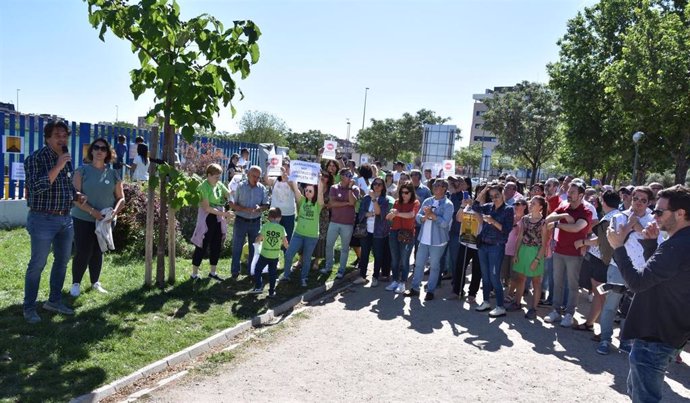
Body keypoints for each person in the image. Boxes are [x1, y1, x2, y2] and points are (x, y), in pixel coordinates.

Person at [606, 185, 690, 403]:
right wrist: (651, 245)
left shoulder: (676, 246)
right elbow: (667, 277)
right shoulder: (681, 242)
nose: (654, 215)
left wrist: (618, 247)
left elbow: (637, 283)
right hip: (666, 331)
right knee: (637, 391)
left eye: (660, 211)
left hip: (657, 335)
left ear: (680, 214)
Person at [23, 121, 86, 323]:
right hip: (42, 218)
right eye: (58, 135)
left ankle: (54, 301)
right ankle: (29, 307)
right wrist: (58, 166)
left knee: (61, 262)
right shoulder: (36, 158)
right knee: (37, 264)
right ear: (47, 137)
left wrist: (75, 195)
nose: (62, 139)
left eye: (65, 135)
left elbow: (65, 185)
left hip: (65, 218)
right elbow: (36, 187)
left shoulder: (65, 158)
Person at [69, 138, 125, 297]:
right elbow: (75, 197)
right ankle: (76, 284)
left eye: (103, 148)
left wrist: (113, 213)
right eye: (96, 147)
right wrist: (92, 212)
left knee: (98, 251)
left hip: (106, 221)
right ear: (91, 151)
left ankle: (95, 283)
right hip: (83, 218)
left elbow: (121, 198)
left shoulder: (113, 173)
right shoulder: (81, 171)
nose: (100, 151)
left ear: (107, 153)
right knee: (83, 251)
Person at [544, 181, 592, 327]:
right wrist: (564, 215)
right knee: (557, 283)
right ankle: (556, 311)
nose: (569, 194)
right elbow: (548, 219)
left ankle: (569, 314)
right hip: (558, 250)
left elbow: (577, 228)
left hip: (575, 254)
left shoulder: (586, 211)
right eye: (569, 192)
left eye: (572, 192)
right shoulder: (564, 206)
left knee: (572, 285)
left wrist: (558, 223)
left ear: (581, 195)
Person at [574, 190, 621, 339]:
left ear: (603, 201)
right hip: (599, 259)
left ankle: (603, 330)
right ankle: (590, 323)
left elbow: (602, 240)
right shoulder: (613, 215)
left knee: (602, 295)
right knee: (598, 293)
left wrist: (582, 242)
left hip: (603, 260)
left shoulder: (612, 217)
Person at [404, 179, 454, 301]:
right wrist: (424, 217)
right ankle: (415, 289)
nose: (435, 187)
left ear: (444, 189)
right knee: (419, 265)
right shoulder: (427, 201)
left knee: (435, 266)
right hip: (423, 239)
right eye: (434, 185)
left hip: (438, 241)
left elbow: (445, 224)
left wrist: (433, 216)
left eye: (439, 185)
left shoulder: (448, 204)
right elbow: (418, 216)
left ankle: (430, 291)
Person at [471, 184, 514, 317]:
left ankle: (500, 306)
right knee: (485, 276)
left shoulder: (508, 209)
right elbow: (475, 206)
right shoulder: (488, 206)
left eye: (497, 196)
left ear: (503, 195)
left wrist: (492, 221)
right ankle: (486, 301)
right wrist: (484, 191)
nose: (494, 198)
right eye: (492, 196)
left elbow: (506, 229)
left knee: (494, 277)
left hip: (496, 247)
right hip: (483, 245)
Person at [190, 163, 233, 281]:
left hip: (218, 218)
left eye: (219, 176)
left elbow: (228, 194)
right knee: (202, 245)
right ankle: (194, 274)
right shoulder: (203, 187)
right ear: (208, 175)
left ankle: (212, 273)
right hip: (207, 218)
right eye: (216, 176)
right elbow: (207, 208)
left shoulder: (219, 184)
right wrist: (225, 214)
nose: (218, 179)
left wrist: (234, 188)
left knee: (216, 245)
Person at [280, 177, 325, 287]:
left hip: (312, 236)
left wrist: (319, 181)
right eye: (306, 190)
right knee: (289, 254)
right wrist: (293, 176)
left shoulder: (318, 204)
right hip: (298, 234)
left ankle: (304, 278)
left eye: (310, 191)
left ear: (314, 193)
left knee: (306, 259)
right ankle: (286, 275)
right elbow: (295, 189)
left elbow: (320, 194)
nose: (308, 192)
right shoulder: (302, 200)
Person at [509, 196, 549, 319]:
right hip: (523, 251)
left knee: (536, 282)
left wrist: (537, 260)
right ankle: (517, 303)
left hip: (536, 253)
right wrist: (516, 253)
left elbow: (544, 243)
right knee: (520, 279)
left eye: (534, 203)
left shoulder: (543, 222)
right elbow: (520, 237)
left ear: (541, 206)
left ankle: (533, 308)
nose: (530, 204)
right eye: (531, 202)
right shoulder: (525, 219)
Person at [228, 166, 269, 278]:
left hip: (255, 222)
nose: (256, 178)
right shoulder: (240, 187)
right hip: (241, 221)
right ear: (248, 175)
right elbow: (232, 204)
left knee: (254, 247)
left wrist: (260, 208)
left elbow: (266, 205)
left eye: (258, 177)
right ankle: (235, 272)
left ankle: (252, 272)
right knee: (237, 247)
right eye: (253, 176)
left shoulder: (262, 188)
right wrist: (245, 209)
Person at [353, 177, 393, 286]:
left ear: (383, 187)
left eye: (379, 184)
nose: (376, 186)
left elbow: (379, 213)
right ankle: (362, 276)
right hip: (366, 231)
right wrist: (367, 214)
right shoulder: (366, 198)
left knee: (378, 255)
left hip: (379, 232)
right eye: (375, 183)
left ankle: (375, 277)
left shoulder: (385, 200)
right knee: (364, 254)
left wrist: (374, 199)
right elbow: (361, 212)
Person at [322, 168, 360, 278]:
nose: (350, 177)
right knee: (329, 245)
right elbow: (331, 204)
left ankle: (341, 270)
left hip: (347, 224)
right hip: (334, 221)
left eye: (351, 175)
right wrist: (346, 203)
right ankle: (328, 266)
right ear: (342, 176)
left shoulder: (355, 189)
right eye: (348, 175)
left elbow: (352, 203)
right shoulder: (334, 187)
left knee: (344, 248)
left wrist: (349, 189)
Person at [385, 181, 420, 294]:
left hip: (407, 233)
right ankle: (395, 280)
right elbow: (389, 218)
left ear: (411, 193)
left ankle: (402, 282)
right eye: (401, 192)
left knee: (404, 260)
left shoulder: (415, 202)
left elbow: (411, 215)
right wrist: (392, 213)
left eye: (406, 192)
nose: (403, 194)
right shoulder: (396, 202)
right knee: (395, 260)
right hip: (394, 232)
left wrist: (397, 213)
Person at [250, 208, 288, 297]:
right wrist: (288, 248)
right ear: (279, 218)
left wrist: (256, 243)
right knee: (272, 274)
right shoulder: (281, 228)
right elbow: (285, 242)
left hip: (264, 254)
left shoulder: (265, 226)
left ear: (269, 217)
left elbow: (258, 238)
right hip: (274, 256)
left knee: (258, 269)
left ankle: (259, 286)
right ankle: (271, 292)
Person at [264, 163, 297, 247]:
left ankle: (286, 256)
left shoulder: (293, 180)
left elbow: (295, 190)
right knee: (273, 236)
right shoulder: (275, 180)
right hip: (275, 213)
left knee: (287, 238)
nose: (284, 171)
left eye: (286, 169)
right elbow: (266, 180)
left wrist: (286, 179)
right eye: (282, 169)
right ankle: (273, 255)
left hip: (289, 214)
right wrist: (268, 169)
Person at [311, 171, 334, 272]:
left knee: (321, 237)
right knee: (309, 235)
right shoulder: (315, 188)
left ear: (329, 179)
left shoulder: (330, 190)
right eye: (322, 176)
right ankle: (302, 259)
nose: (323, 178)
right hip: (313, 215)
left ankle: (316, 260)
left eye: (326, 176)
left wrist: (322, 205)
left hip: (324, 217)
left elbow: (330, 204)